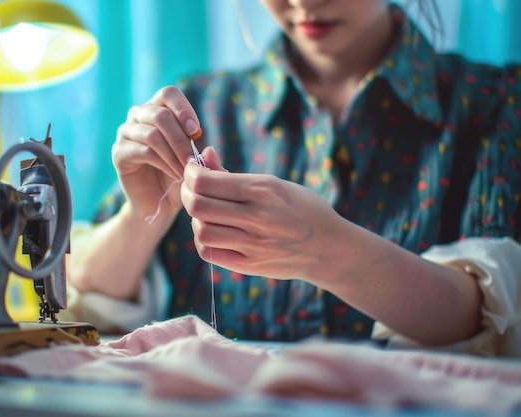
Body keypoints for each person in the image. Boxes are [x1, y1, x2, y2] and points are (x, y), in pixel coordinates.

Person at [63, 0, 521, 356]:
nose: (305, 2)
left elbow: (492, 316)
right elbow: (86, 300)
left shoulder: (493, 104)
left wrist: (330, 252)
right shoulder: (200, 107)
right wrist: (142, 212)